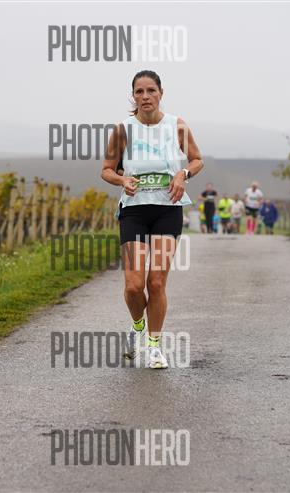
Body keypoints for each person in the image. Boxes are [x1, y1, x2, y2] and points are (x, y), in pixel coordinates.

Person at [101, 70, 204, 369]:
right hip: (134, 210)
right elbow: (106, 169)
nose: (145, 96)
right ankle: (137, 327)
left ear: (161, 93)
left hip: (167, 209)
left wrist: (183, 174)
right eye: (139, 92)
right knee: (134, 286)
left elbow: (197, 159)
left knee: (156, 282)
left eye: (150, 91)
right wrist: (122, 180)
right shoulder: (123, 130)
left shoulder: (176, 125)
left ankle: (155, 347)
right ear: (133, 96)